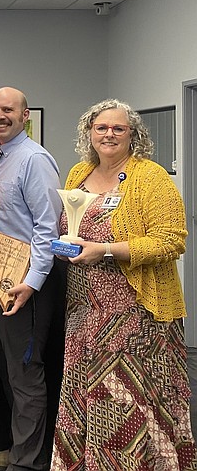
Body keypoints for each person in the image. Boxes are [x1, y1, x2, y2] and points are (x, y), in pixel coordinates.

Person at [51, 100, 197, 470]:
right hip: (85, 313)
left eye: (119, 128)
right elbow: (69, 224)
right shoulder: (78, 174)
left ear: (134, 135)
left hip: (135, 315)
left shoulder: (150, 177)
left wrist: (106, 250)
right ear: (89, 133)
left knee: (127, 407)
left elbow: (171, 240)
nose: (109, 135)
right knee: (85, 397)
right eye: (101, 128)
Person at [0, 87, 64, 471]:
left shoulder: (35, 160)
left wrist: (32, 282)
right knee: (5, 366)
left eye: (7, 109)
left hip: (24, 284)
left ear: (25, 114)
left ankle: (27, 463)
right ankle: (21, 448)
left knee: (26, 373)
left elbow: (49, 228)